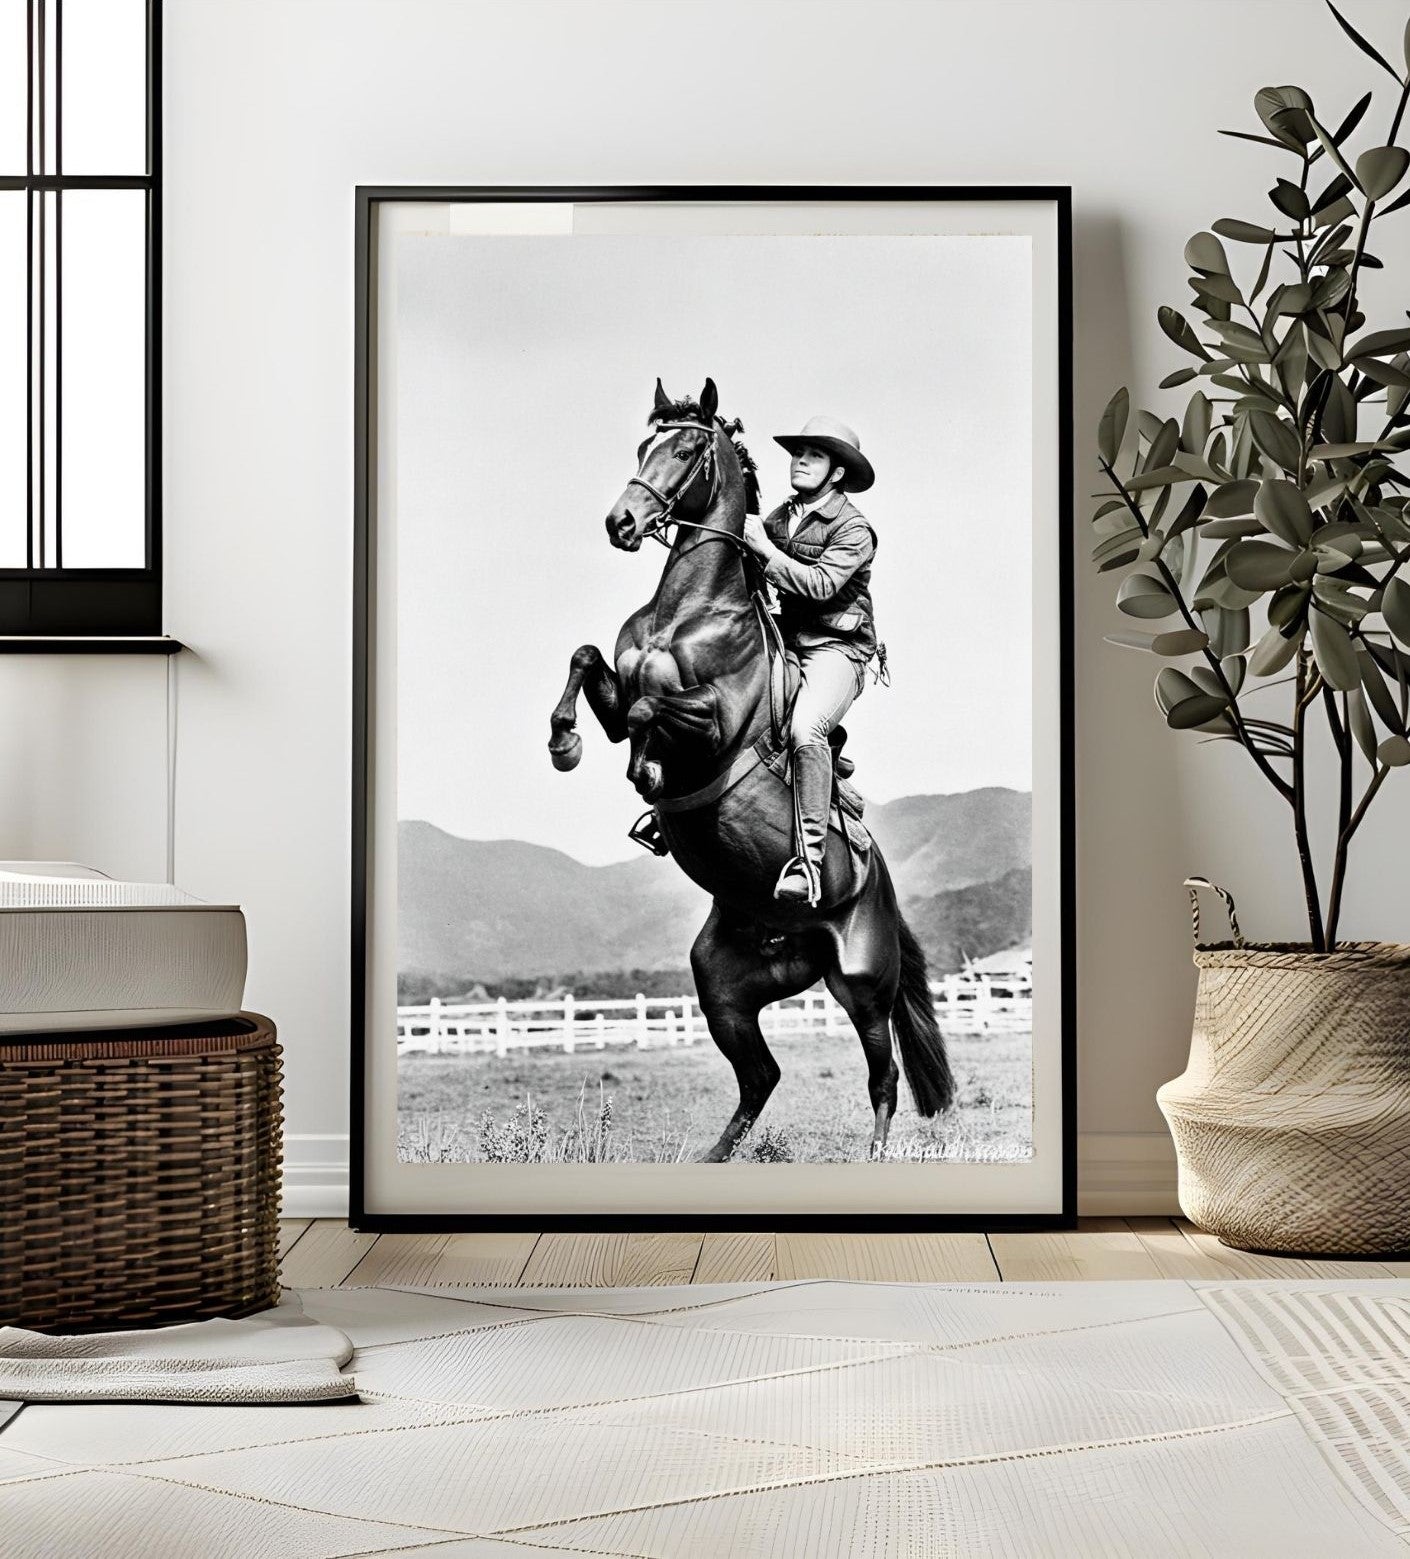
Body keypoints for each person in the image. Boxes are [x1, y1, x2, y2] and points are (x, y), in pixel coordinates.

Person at [742, 414, 882, 906]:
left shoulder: (855, 528)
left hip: (836, 648)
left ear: (837, 472)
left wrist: (763, 550)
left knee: (806, 729)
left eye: (814, 455)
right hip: (785, 639)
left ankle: (809, 863)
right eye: (798, 453)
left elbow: (821, 585)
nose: (799, 461)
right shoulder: (779, 518)